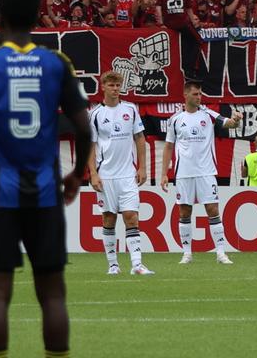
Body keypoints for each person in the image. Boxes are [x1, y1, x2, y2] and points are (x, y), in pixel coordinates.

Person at [0, 0, 92, 358]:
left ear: (0, 19)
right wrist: (77, 173)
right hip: (45, 192)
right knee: (52, 294)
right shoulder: (56, 63)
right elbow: (83, 128)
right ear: (35, 20)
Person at [163, 80, 242, 264]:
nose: (199, 97)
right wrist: (163, 173)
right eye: (195, 94)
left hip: (206, 171)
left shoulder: (208, 114)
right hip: (183, 173)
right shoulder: (175, 119)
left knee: (212, 209)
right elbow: (168, 147)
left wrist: (236, 120)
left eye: (200, 94)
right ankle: (187, 253)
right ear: (185, 95)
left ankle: (221, 253)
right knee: (184, 211)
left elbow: (229, 124)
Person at [86, 70, 151, 276]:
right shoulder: (95, 114)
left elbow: (140, 138)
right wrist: (93, 173)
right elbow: (90, 145)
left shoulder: (130, 110)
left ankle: (137, 264)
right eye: (111, 85)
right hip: (105, 176)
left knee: (131, 217)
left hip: (127, 175)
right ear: (103, 87)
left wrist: (142, 167)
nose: (115, 89)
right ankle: (113, 265)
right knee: (108, 219)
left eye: (118, 85)